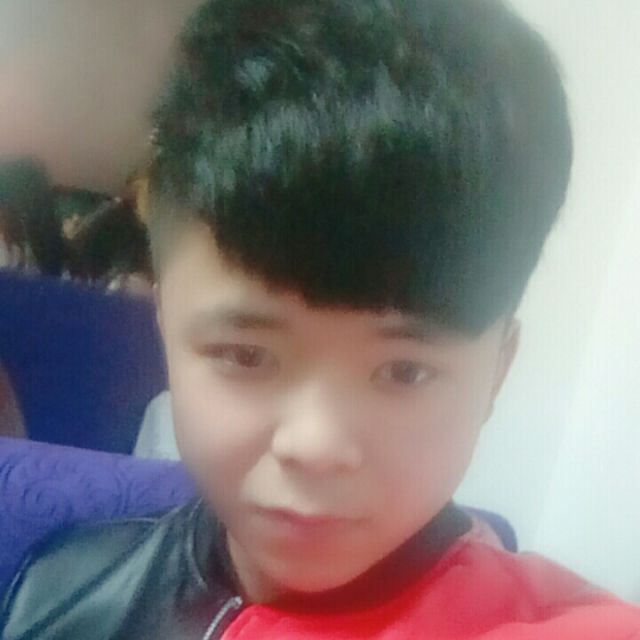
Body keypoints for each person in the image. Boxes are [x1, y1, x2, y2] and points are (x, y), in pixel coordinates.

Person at [2, 1, 639, 638]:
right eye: (246, 355)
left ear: (497, 372)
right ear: (165, 322)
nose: (317, 447)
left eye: (405, 370)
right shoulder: (54, 595)